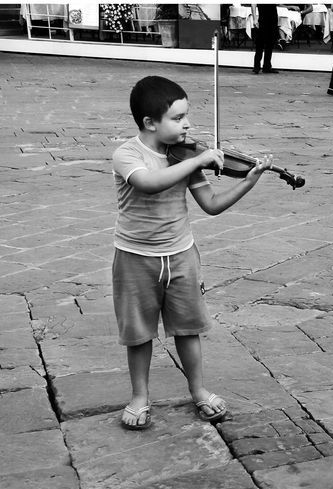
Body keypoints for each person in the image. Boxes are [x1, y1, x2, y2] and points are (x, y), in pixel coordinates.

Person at [111, 75, 273, 430]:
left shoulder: (187, 155)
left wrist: (249, 180)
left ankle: (198, 390)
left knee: (188, 328)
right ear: (150, 123)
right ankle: (140, 396)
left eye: (188, 116)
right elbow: (149, 184)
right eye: (178, 117)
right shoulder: (127, 154)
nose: (187, 124)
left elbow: (212, 205)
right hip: (135, 258)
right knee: (138, 333)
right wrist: (197, 162)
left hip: (181, 255)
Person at [251, 4, 279, 74]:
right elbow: (253, 4)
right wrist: (254, 19)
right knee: (260, 42)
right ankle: (257, 66)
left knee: (270, 43)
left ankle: (267, 66)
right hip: (263, 18)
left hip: (273, 17)